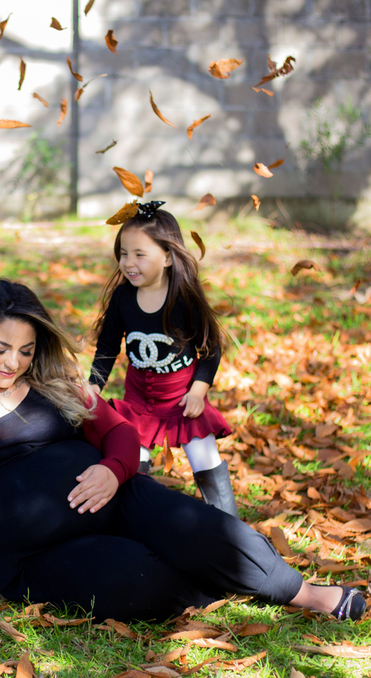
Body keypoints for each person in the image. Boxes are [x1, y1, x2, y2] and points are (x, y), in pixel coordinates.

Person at [0, 279, 365, 623]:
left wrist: (112, 471)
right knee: (139, 581)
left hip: (116, 496)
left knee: (210, 530)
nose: (14, 363)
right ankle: (211, 586)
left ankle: (304, 594)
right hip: (34, 551)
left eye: (27, 350)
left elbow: (120, 434)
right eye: (0, 349)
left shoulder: (52, 381)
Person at [89, 200, 239, 516]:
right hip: (139, 403)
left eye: (140, 254)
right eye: (124, 254)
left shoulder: (184, 298)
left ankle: (228, 526)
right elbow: (107, 347)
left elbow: (211, 348)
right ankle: (132, 523)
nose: (129, 263)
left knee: (205, 459)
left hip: (182, 402)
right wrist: (94, 387)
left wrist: (198, 391)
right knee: (131, 465)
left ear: (168, 257)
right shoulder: (123, 299)